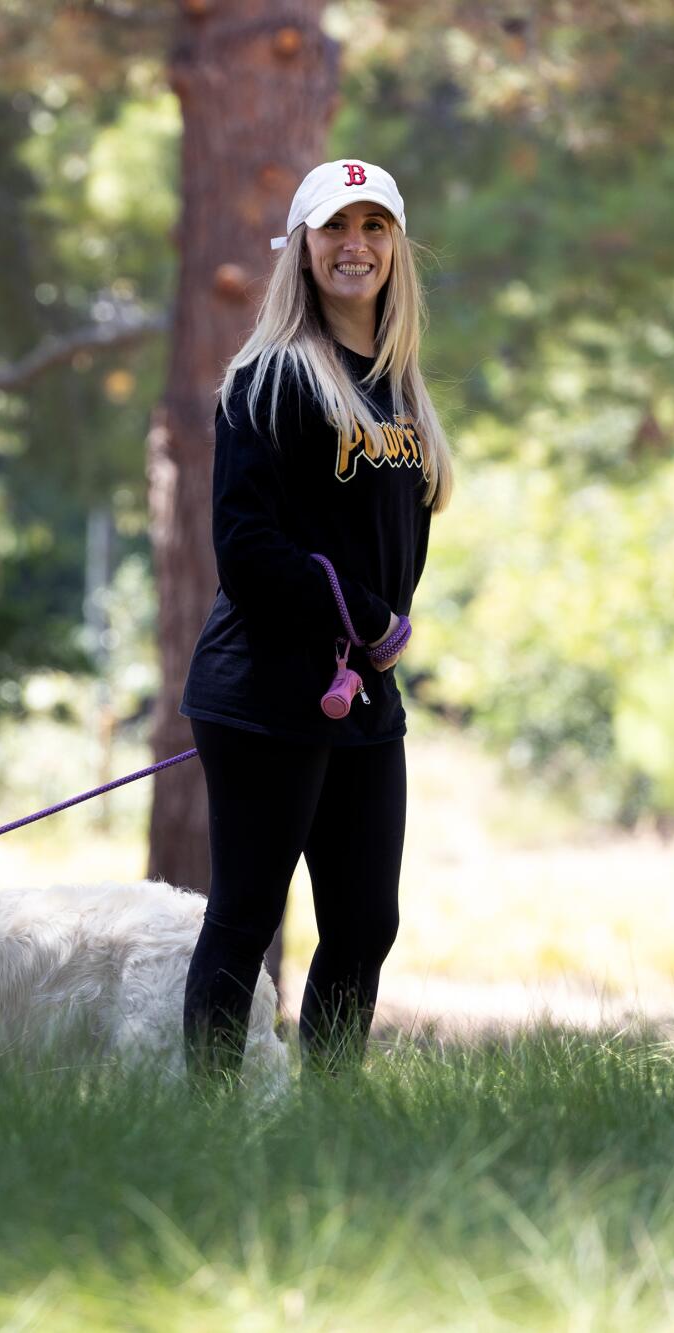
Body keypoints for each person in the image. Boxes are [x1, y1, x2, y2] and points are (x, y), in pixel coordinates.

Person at [179, 158, 455, 1075]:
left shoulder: (399, 386)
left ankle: (325, 1120)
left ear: (396, 249)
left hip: (361, 693)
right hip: (262, 689)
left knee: (367, 920)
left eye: (375, 228)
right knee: (247, 915)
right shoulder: (269, 378)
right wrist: (367, 614)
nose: (356, 246)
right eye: (336, 227)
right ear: (301, 248)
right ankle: (211, 1119)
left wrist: (375, 636)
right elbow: (246, 547)